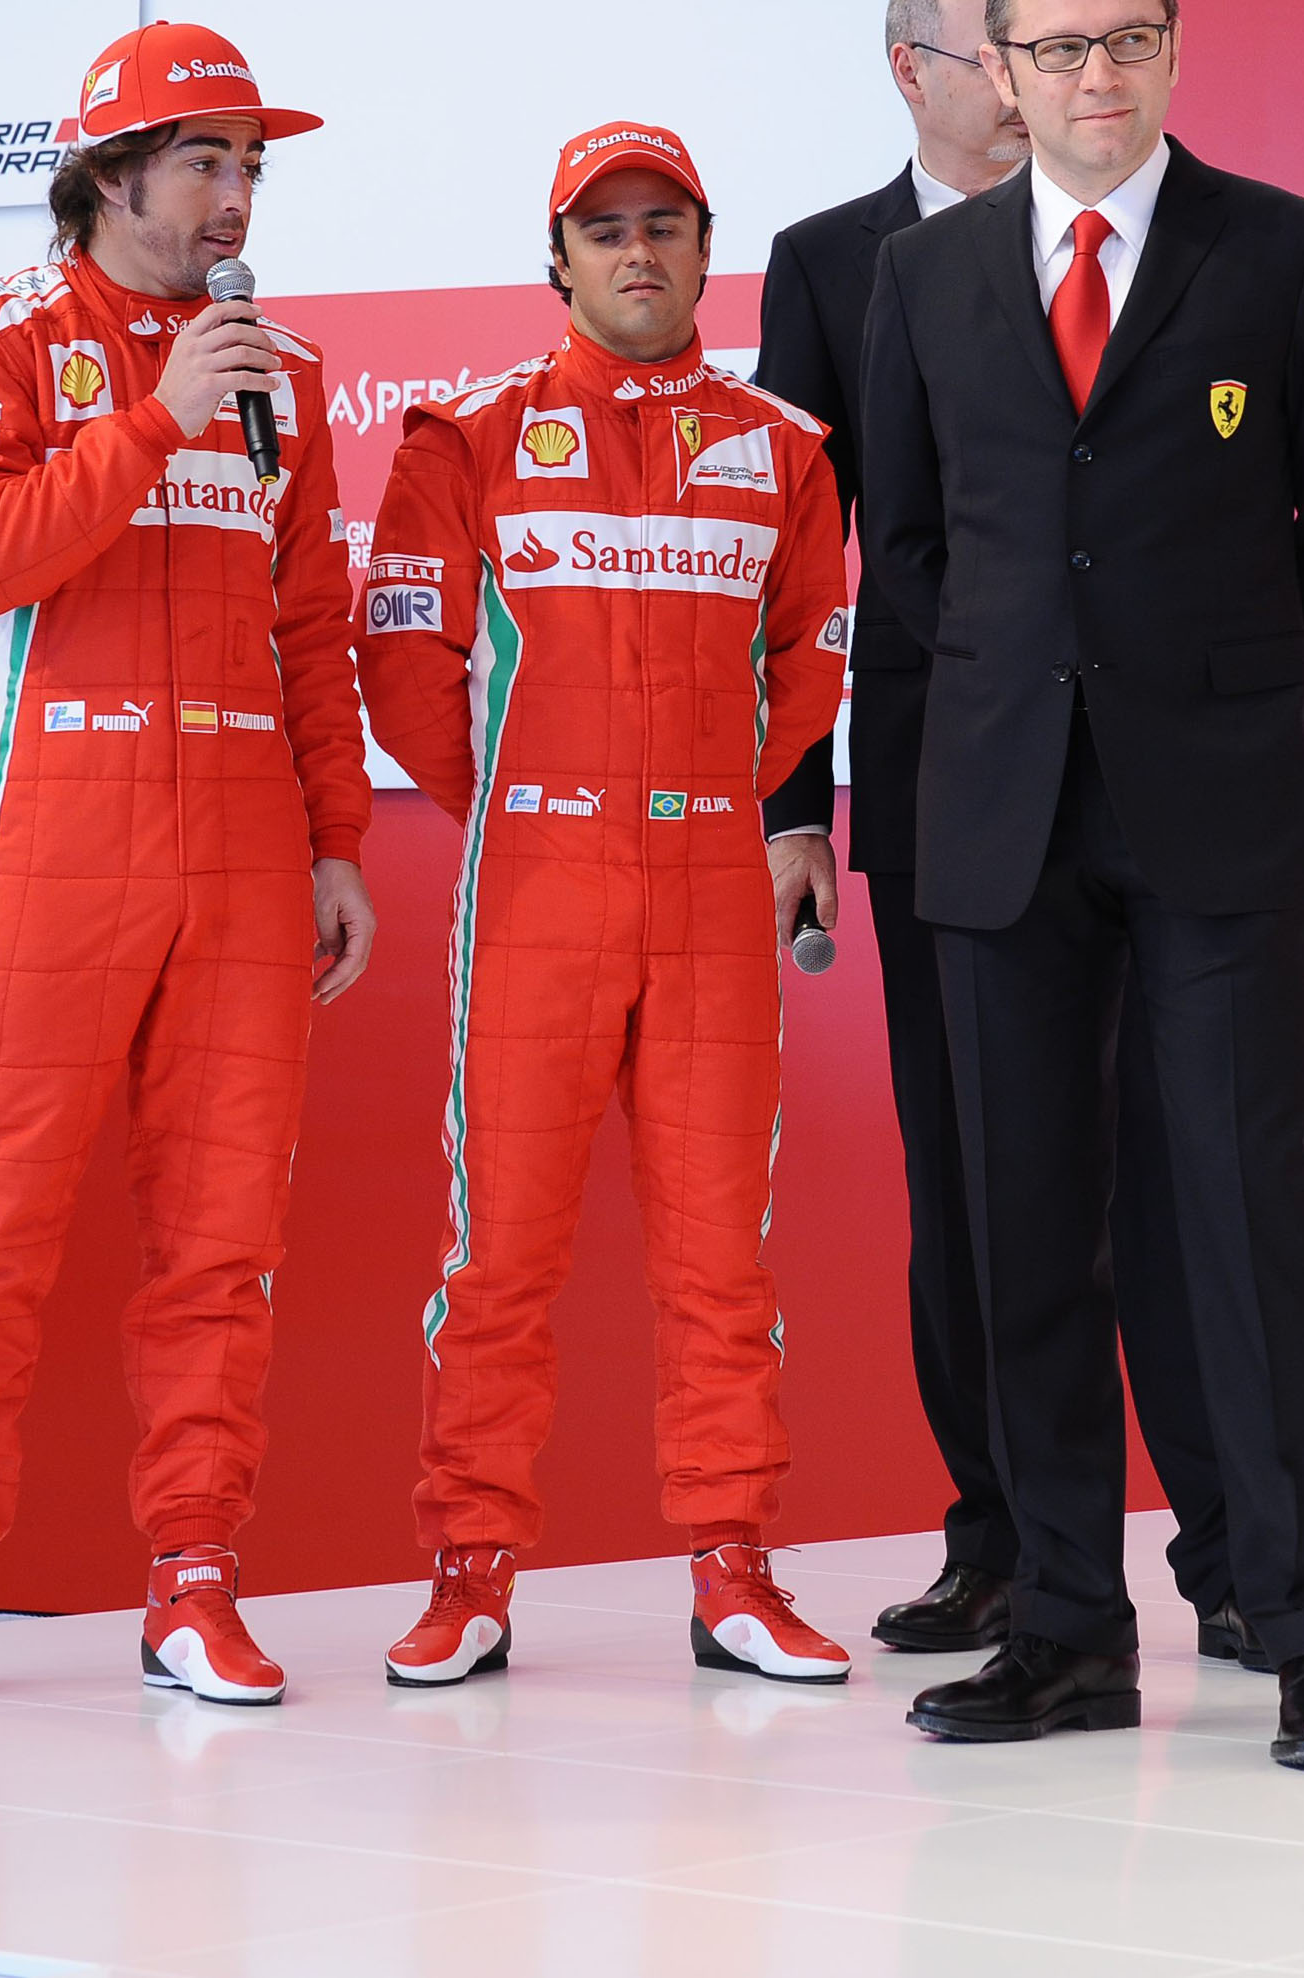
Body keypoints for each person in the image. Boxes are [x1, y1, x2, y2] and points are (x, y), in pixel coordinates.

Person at [860, 0, 1304, 1769]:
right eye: (1061, 48)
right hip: (1000, 812)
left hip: (1216, 808)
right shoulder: (925, 278)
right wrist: (1019, 695)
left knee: (1250, 1216)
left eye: (1131, 40)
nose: (1099, 76)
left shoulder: (1290, 252)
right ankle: (1064, 1629)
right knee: (1020, 1225)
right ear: (1001, 75)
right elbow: (910, 547)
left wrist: (1242, 703)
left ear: (1175, 52)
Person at [0, 22, 376, 1712]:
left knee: (222, 1240)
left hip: (247, 850)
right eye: (206, 159)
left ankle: (195, 1581)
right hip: (59, 837)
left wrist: (339, 841)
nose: (237, 193)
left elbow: (312, 625)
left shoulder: (278, 371)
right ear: (111, 173)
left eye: (251, 164)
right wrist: (153, 416)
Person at [760, 0, 1251, 1667]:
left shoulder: (1187, 244)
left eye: (1071, 45)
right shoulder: (837, 264)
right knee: (982, 1177)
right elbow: (811, 555)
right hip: (946, 779)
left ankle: (1230, 1548)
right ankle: (1007, 1546)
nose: (1039, 75)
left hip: (1158, 777)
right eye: (1002, 51)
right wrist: (796, 804)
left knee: (1183, 1167)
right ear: (920, 71)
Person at [357, 123, 855, 1688]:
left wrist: (707, 795)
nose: (638, 250)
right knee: (500, 1255)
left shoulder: (786, 446)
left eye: (665, 223)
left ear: (707, 249)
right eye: (606, 227)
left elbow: (814, 661)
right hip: (536, 891)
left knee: (721, 1261)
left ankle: (732, 1569)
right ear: (558, 259)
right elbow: (404, 662)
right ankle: (469, 1572)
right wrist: (527, 797)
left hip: (709, 888)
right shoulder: (471, 434)